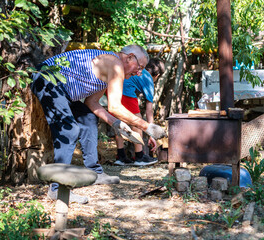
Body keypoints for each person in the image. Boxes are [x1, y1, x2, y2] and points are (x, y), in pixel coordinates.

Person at [30, 45, 167, 204]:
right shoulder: (115, 65)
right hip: (47, 79)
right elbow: (114, 106)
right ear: (129, 57)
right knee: (69, 131)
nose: (139, 73)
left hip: (62, 90)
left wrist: (115, 123)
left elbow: (92, 103)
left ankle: (94, 172)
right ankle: (57, 188)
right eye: (140, 67)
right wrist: (147, 127)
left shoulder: (110, 66)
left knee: (88, 118)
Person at [113, 58, 165, 166]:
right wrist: (152, 132)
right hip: (127, 92)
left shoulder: (139, 71)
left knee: (118, 120)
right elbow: (149, 109)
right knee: (137, 120)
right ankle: (139, 156)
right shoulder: (149, 79)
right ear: (157, 75)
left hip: (115, 89)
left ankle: (121, 156)